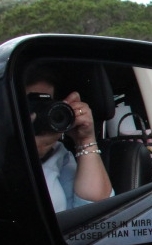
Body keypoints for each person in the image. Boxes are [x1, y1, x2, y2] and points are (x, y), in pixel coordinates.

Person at [25, 64, 113, 211]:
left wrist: (85, 140)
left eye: (46, 104)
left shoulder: (58, 153)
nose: (41, 113)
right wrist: (28, 152)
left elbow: (94, 212)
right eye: (32, 105)